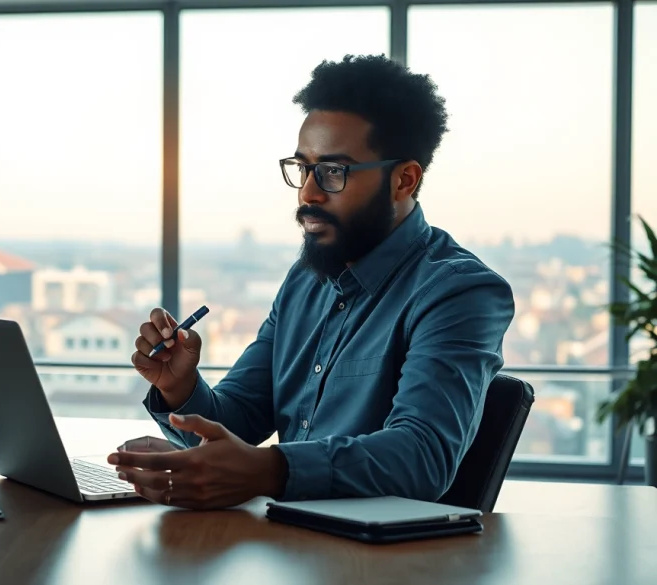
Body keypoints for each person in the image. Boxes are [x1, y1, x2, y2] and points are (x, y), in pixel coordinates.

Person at [107, 54, 515, 509]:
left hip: (385, 564)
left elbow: (422, 457)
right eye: (303, 169)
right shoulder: (306, 280)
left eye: (334, 172)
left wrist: (267, 470)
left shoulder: (460, 291)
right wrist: (180, 386)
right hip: (291, 543)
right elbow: (239, 422)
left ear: (404, 180)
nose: (308, 193)